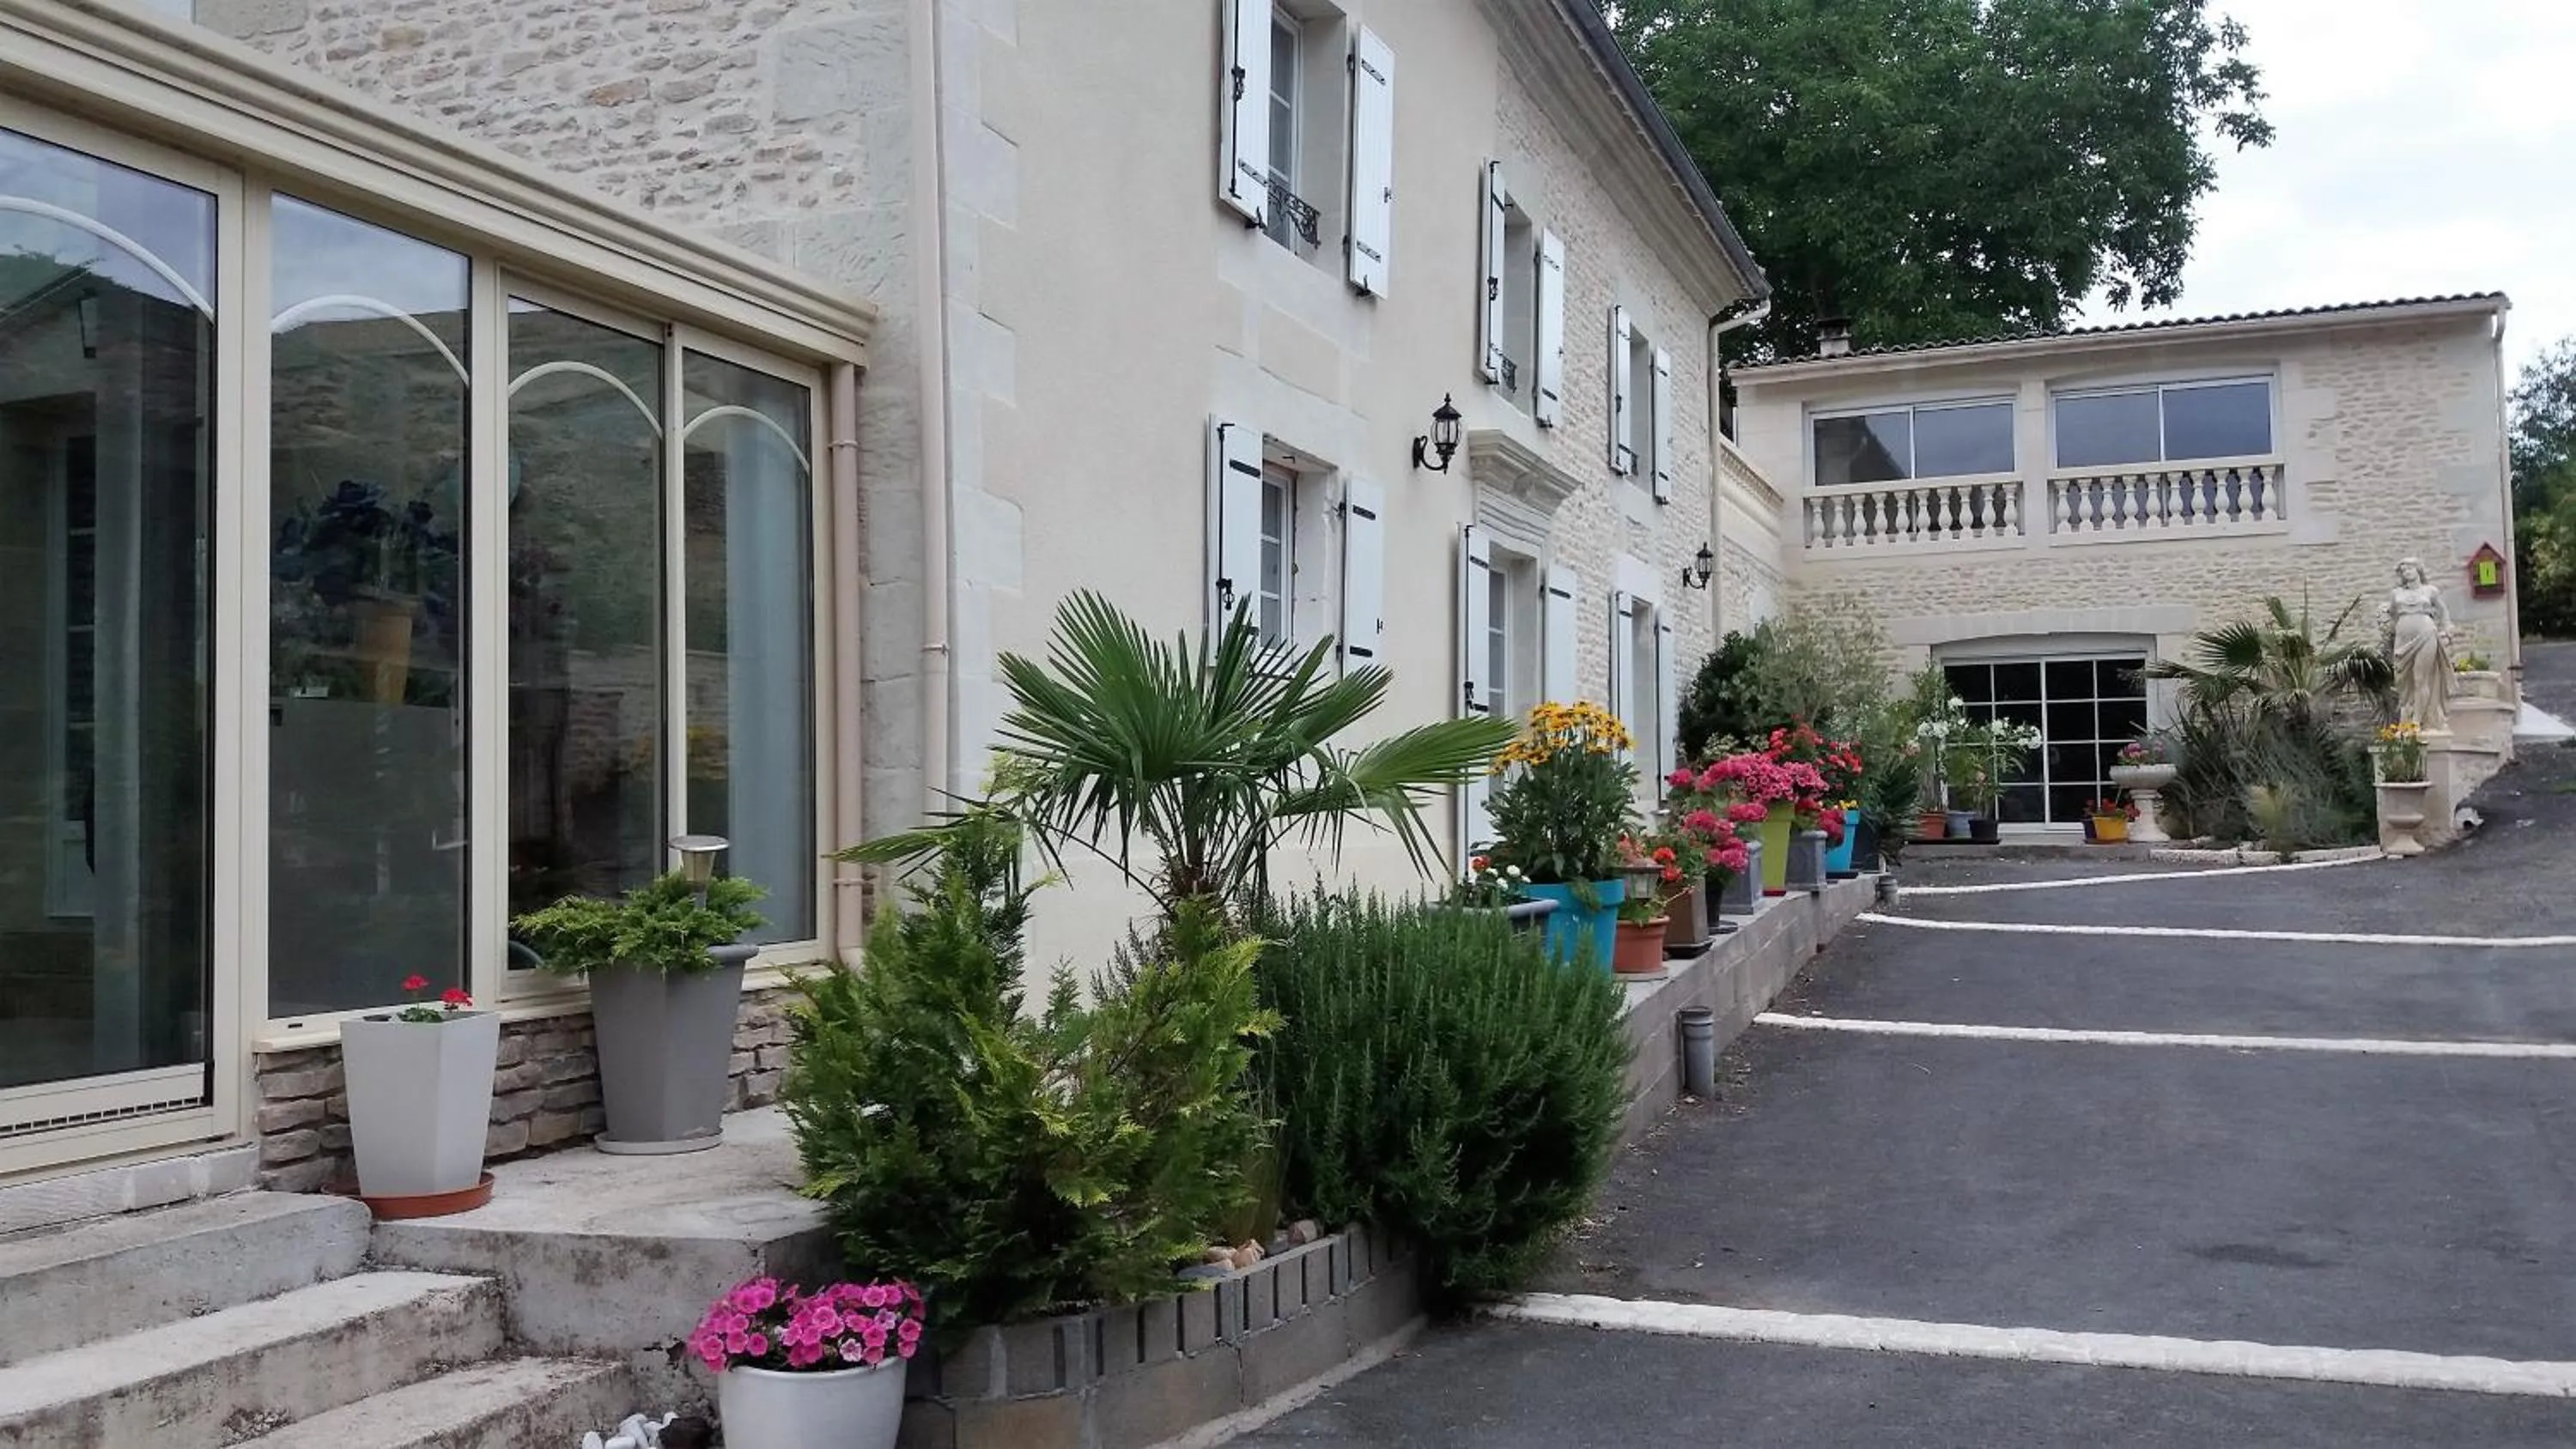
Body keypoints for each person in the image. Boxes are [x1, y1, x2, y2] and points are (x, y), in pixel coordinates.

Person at [2383, 558, 2452, 732]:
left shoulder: (2430, 591)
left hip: (2426, 634)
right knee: (2401, 680)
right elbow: (2391, 615)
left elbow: (2443, 611)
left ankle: (2417, 721)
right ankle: (2406, 716)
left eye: (2410, 568)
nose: (2407, 572)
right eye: (2403, 570)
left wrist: (2447, 627)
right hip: (2403, 639)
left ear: (2418, 570)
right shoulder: (2396, 594)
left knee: (2420, 678)